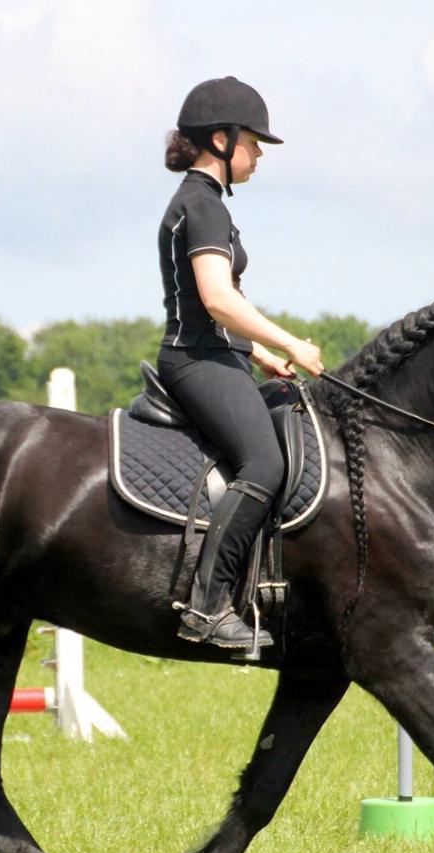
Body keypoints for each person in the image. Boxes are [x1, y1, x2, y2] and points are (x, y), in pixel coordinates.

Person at [156, 76, 324, 650]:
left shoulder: (206, 205)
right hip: (196, 362)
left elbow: (214, 312)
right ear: (222, 140)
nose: (258, 155)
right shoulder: (200, 206)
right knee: (264, 464)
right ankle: (206, 605)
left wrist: (262, 354)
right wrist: (294, 345)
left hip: (218, 354)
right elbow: (218, 300)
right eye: (253, 143)